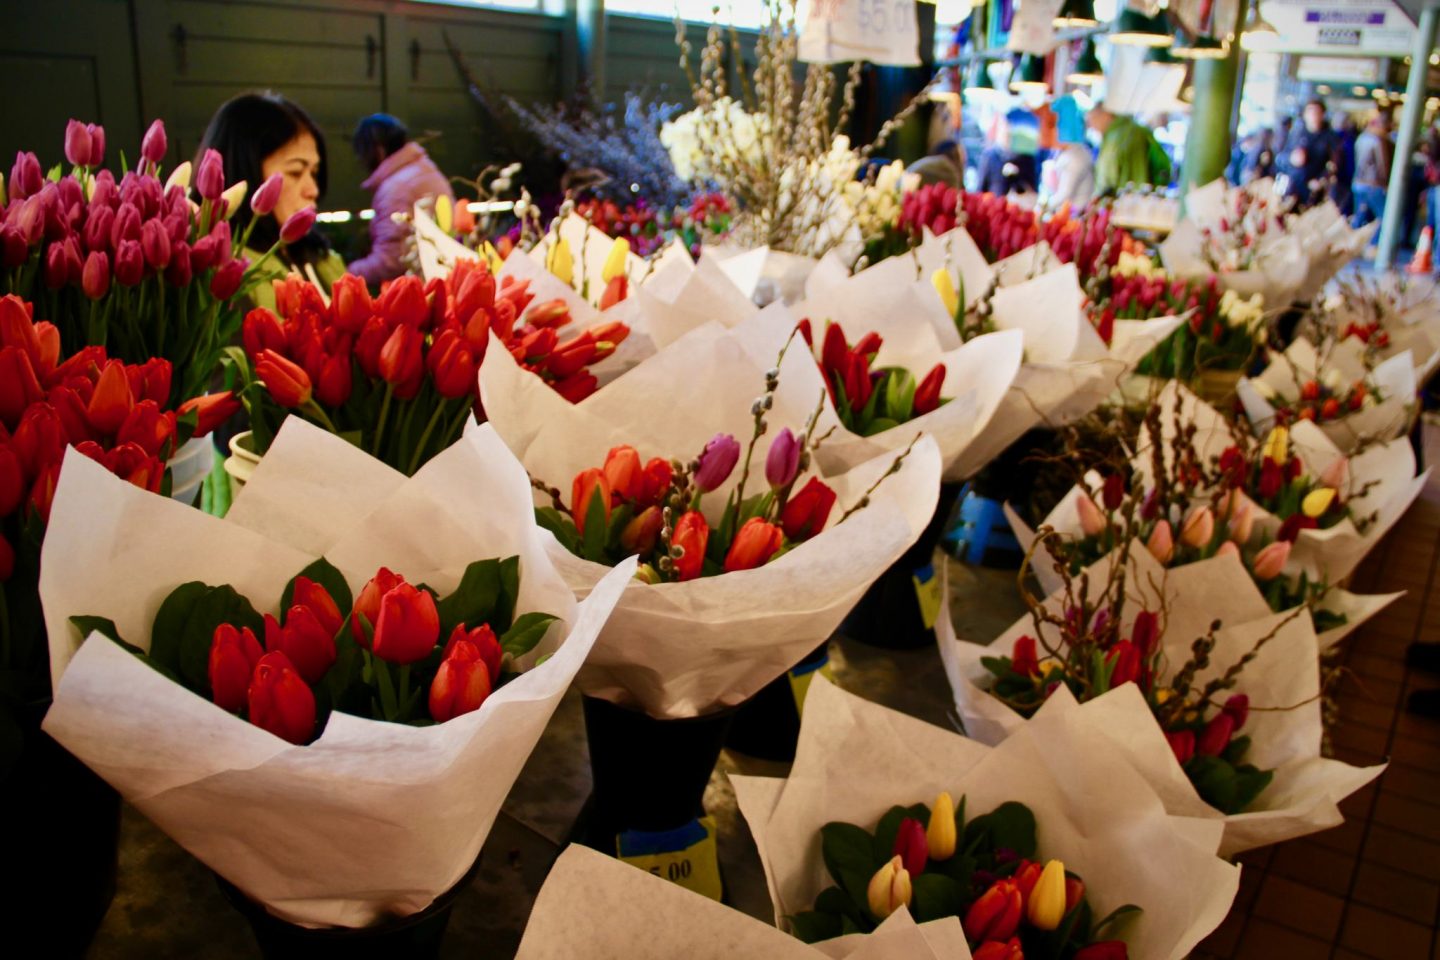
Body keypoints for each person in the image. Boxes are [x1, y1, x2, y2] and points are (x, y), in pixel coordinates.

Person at [197, 91, 345, 308]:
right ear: (246, 174)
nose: (313, 190)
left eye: (314, 173)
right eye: (295, 172)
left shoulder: (324, 258)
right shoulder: (223, 271)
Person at [350, 114, 454, 286]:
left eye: (362, 155)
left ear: (378, 150)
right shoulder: (425, 168)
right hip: (445, 277)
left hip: (422, 288)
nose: (361, 163)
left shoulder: (395, 188)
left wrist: (347, 273)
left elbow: (392, 261)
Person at [1087, 105, 1171, 196]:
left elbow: (1111, 179)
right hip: (1130, 198)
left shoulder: (1122, 136)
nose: (1091, 125)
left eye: (1093, 119)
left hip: (1127, 200)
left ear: (1106, 115)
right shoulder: (1115, 135)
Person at [1280, 99, 1338, 209]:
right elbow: (1281, 158)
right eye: (1310, 111)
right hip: (1292, 189)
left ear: (1322, 114)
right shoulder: (1296, 134)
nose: (1313, 115)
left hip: (1314, 193)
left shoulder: (1330, 137)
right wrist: (1292, 159)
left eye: (1316, 112)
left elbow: (1334, 164)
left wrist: (1321, 180)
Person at [1043, 94, 1094, 209]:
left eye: (1053, 126)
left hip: (1074, 218)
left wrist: (1041, 208)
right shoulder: (1067, 152)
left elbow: (1064, 194)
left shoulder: (1075, 158)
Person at [1351, 113, 1393, 234]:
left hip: (1358, 182)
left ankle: (1352, 245)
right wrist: (1385, 182)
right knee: (1385, 216)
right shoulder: (1378, 140)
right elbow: (1382, 164)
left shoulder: (1362, 137)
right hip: (1374, 184)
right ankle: (1373, 244)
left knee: (1359, 216)